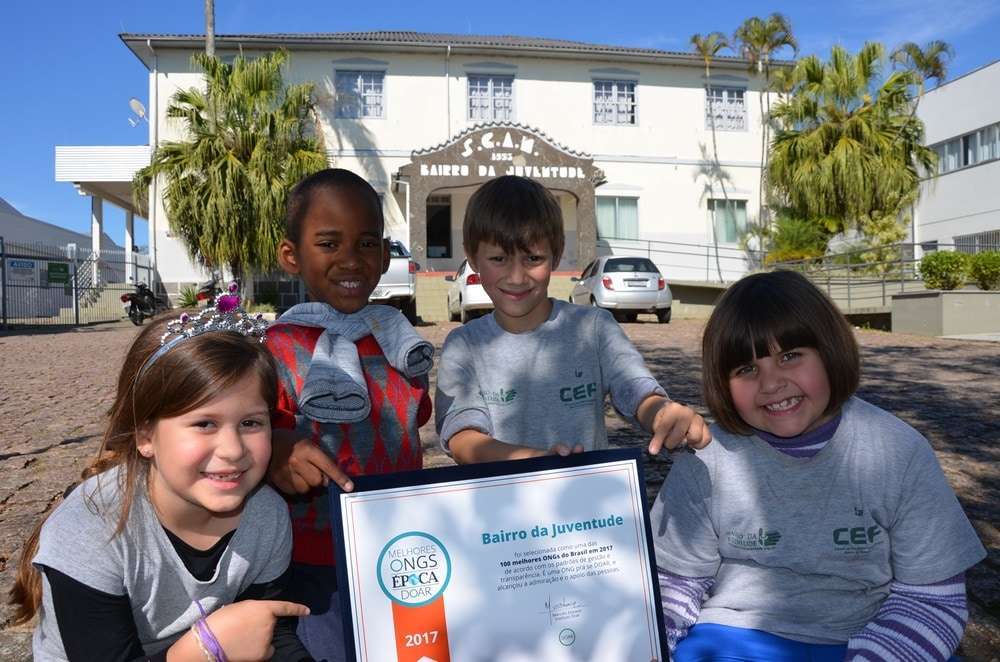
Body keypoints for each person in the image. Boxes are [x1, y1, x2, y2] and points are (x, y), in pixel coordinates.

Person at [651, 270, 987, 661]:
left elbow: (931, 598)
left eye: (789, 356)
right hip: (730, 636)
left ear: (830, 351)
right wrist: (651, 646)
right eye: (746, 369)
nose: (771, 383)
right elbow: (675, 583)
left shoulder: (900, 451)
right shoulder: (704, 457)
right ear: (722, 383)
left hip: (868, 636)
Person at [9, 300, 311, 661]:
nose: (232, 450)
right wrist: (206, 649)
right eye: (205, 423)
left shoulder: (268, 516)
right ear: (145, 436)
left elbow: (271, 633)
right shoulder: (91, 528)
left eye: (251, 423)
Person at [266, 168, 434, 660]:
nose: (349, 259)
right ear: (291, 256)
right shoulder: (279, 348)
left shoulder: (400, 343)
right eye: (328, 243)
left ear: (384, 256)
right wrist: (279, 446)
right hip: (313, 555)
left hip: (400, 542)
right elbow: (262, 436)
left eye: (365, 243)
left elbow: (413, 419)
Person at [434, 175, 710, 464]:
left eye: (532, 259)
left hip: (588, 506)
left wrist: (662, 412)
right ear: (473, 258)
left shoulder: (594, 328)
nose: (516, 277)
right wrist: (539, 464)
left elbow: (635, 388)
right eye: (499, 259)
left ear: (557, 254)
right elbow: (463, 438)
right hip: (502, 505)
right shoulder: (463, 346)